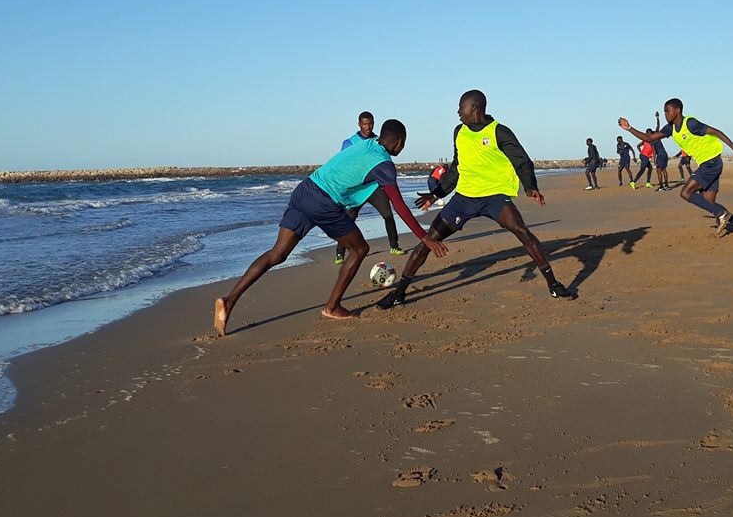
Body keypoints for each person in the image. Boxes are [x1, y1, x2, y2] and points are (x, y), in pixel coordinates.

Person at [212, 119, 448, 334]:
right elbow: (399, 205)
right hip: (324, 202)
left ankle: (229, 300)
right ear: (399, 142)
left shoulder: (366, 144)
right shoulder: (384, 164)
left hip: (304, 190)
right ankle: (332, 307)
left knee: (277, 253)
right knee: (359, 249)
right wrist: (424, 237)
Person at [377, 89, 575, 309]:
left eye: (461, 107)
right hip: (464, 198)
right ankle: (399, 293)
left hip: (494, 196)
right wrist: (436, 194)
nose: (458, 112)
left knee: (522, 231)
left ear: (475, 108)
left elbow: (521, 161)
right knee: (428, 240)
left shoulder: (499, 132)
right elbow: (456, 168)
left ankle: (554, 285)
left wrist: (530, 186)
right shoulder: (459, 132)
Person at [619, 98, 733, 235]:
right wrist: (629, 128)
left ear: (677, 111)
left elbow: (716, 132)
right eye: (664, 112)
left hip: (711, 162)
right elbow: (649, 138)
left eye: (668, 111)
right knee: (708, 202)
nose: (665, 114)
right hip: (709, 163)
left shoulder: (690, 123)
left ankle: (722, 214)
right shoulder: (670, 128)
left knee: (685, 193)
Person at [335, 111, 406, 264]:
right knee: (348, 219)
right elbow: (344, 164)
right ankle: (340, 253)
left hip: (374, 187)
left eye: (370, 124)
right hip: (356, 189)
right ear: (359, 124)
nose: (368, 127)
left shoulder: (379, 141)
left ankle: (394, 246)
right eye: (365, 124)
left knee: (388, 215)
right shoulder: (349, 142)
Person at [652, 111, 672, 191]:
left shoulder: (651, 140)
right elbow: (658, 125)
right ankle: (666, 185)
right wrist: (657, 117)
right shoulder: (657, 136)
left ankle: (661, 186)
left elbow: (654, 151)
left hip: (660, 155)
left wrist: (654, 161)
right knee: (664, 170)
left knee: (658, 170)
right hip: (665, 154)